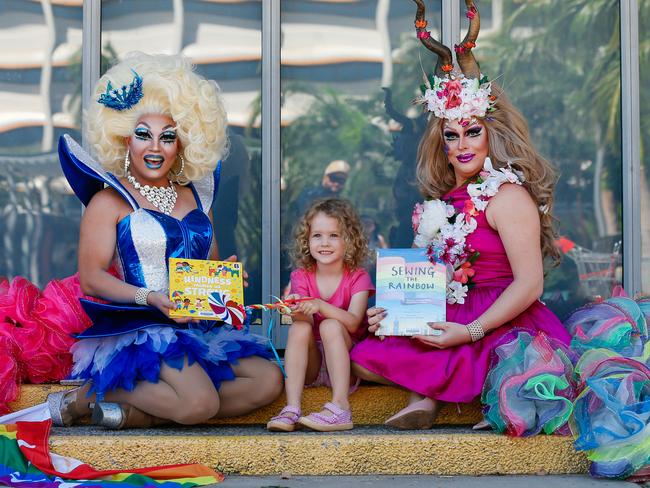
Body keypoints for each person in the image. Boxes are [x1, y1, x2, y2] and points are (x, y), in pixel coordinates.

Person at [349, 0, 571, 429]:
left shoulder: (506, 195)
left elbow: (530, 284)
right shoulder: (445, 199)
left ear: (491, 135)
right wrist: (394, 311)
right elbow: (432, 276)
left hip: (504, 321)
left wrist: (469, 332)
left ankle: (446, 395)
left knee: (484, 361)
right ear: (442, 143)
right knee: (364, 357)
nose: (463, 144)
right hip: (451, 308)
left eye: (473, 132)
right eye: (452, 135)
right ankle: (432, 395)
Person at [47, 52, 283, 429]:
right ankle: (89, 395)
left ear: (182, 144)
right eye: (144, 135)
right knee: (199, 404)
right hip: (143, 328)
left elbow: (208, 266)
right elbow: (91, 278)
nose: (155, 148)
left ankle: (136, 413)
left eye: (167, 137)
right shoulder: (107, 201)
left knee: (268, 382)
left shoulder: (196, 196)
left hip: (196, 326)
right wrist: (151, 298)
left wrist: (225, 278)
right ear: (125, 139)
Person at [267, 198, 374, 432]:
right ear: (307, 240)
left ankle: (340, 406)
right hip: (312, 365)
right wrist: (297, 310)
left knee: (331, 326)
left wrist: (319, 305)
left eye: (334, 235)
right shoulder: (301, 276)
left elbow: (354, 323)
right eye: (317, 235)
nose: (325, 243)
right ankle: (292, 408)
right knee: (300, 327)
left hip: (346, 361)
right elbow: (302, 322)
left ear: (349, 240)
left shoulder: (358, 277)